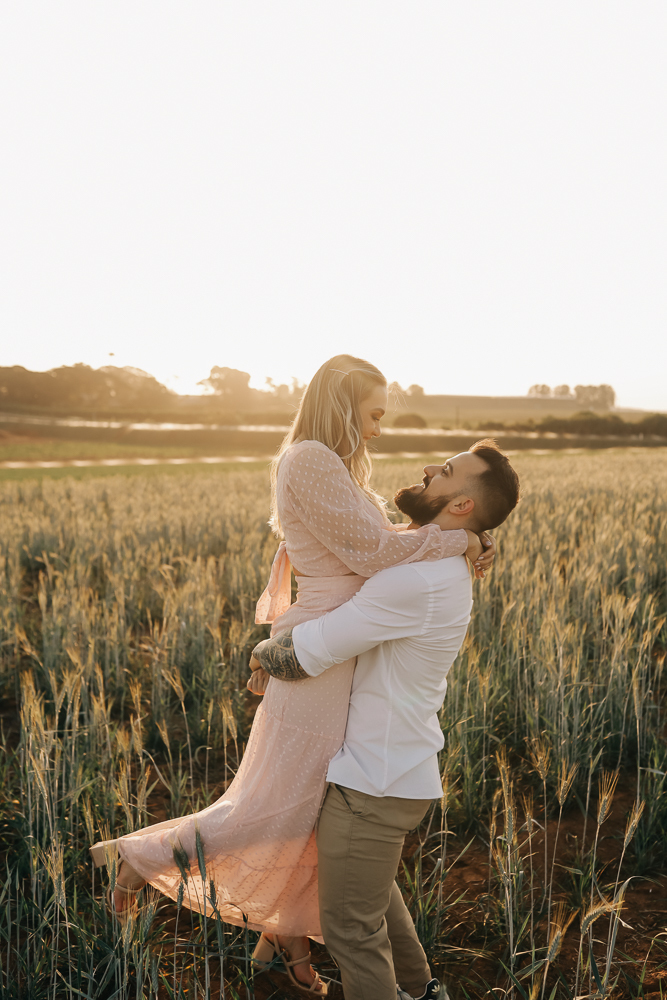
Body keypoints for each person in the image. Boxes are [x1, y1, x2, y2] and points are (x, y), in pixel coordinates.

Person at [89, 355, 495, 996]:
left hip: (332, 643)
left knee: (303, 812)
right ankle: (141, 859)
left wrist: (456, 539)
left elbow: (376, 541)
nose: (379, 430)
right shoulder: (311, 459)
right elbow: (374, 552)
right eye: (374, 413)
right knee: (278, 807)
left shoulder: (327, 464)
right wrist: (460, 540)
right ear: (342, 401)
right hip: (322, 645)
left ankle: (283, 951)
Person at [250, 442, 521, 1000]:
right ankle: (423, 993)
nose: (428, 468)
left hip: (371, 782)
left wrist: (259, 649)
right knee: (375, 906)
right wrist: (471, 539)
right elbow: (392, 547)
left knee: (352, 930)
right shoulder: (434, 565)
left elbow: (301, 656)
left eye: (446, 472)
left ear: (463, 505)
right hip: (394, 772)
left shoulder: (412, 583)